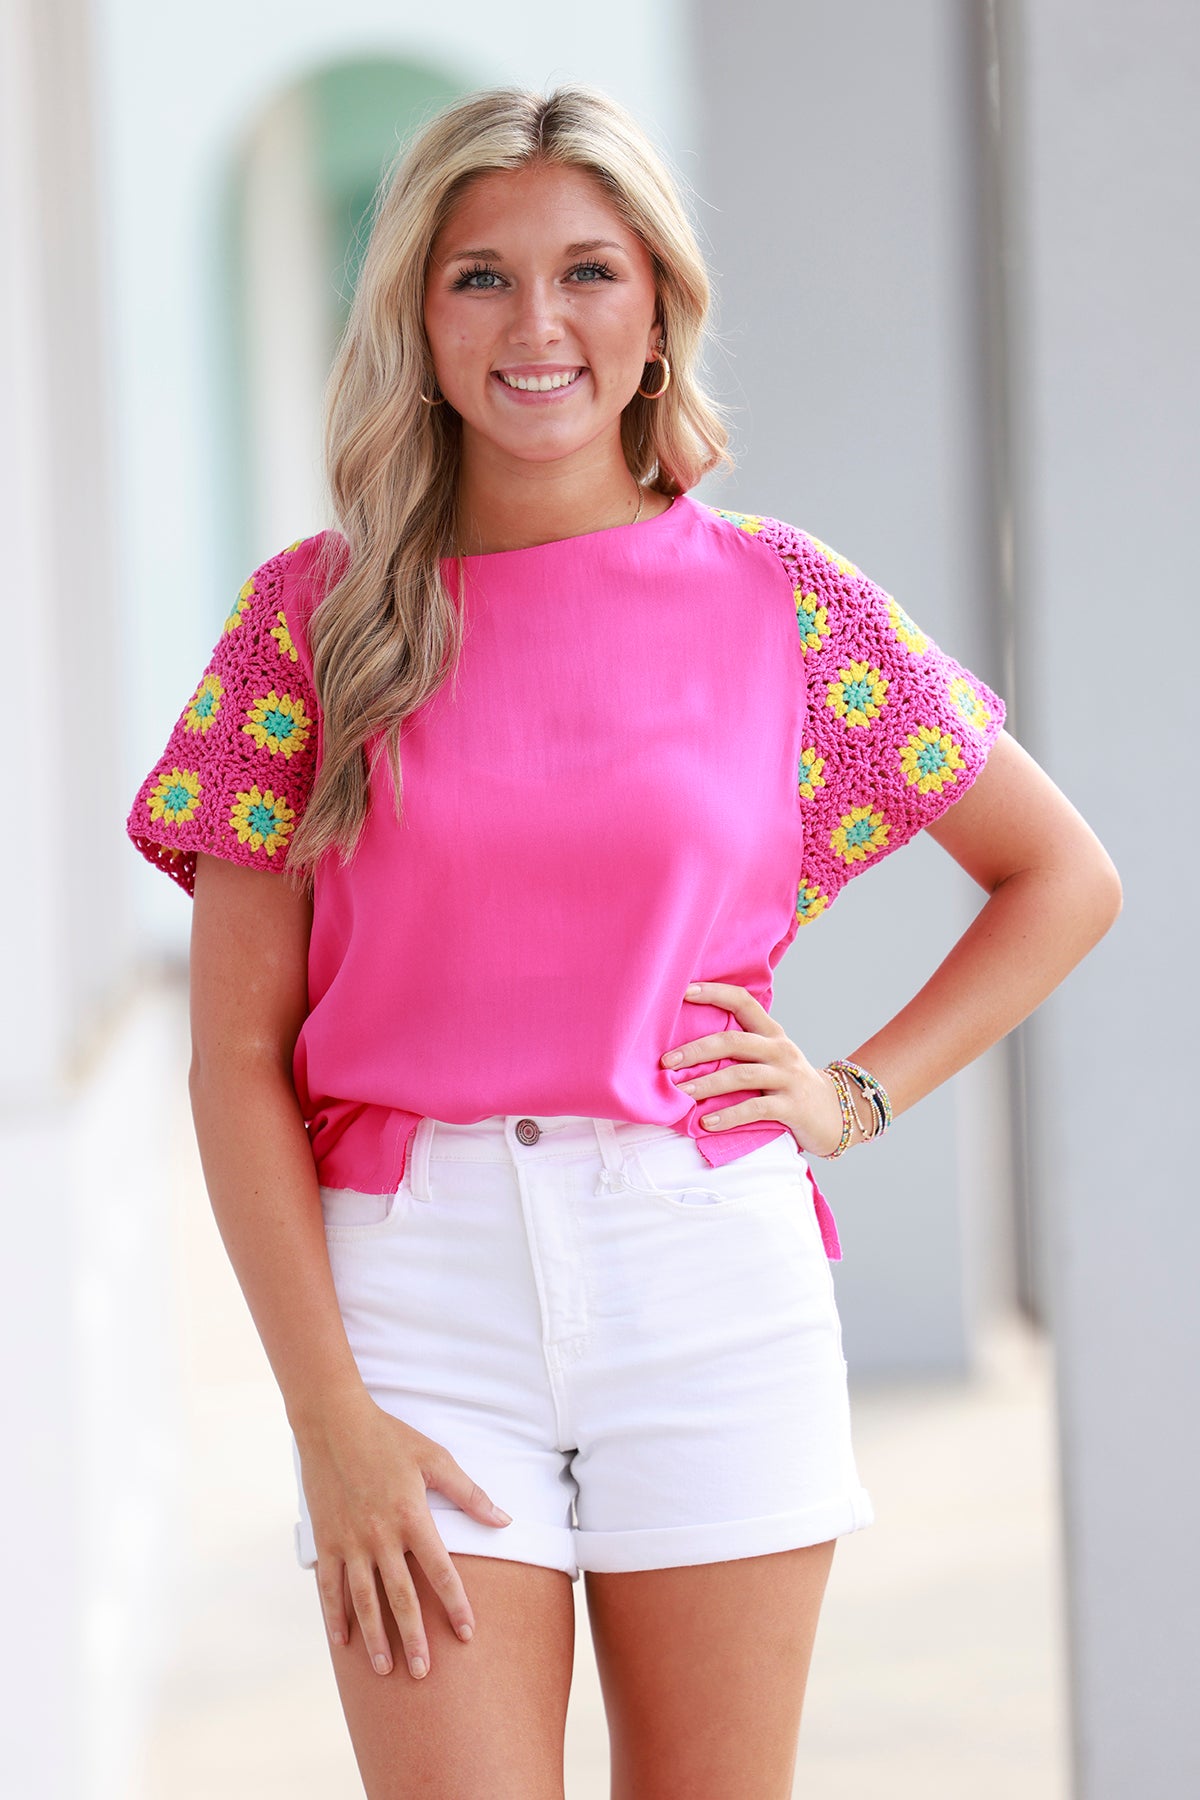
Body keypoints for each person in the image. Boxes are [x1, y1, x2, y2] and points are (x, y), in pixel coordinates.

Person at [125, 81, 1122, 1800]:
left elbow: (1062, 877)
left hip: (704, 1275)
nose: (538, 325)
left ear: (657, 307)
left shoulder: (784, 601)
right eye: (479, 278)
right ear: (417, 322)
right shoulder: (314, 621)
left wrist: (854, 1096)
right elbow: (230, 1061)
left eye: (589, 270)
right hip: (410, 1297)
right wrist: (327, 1419)